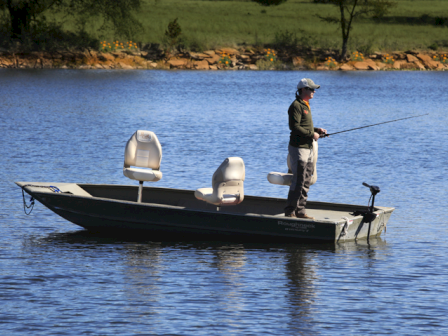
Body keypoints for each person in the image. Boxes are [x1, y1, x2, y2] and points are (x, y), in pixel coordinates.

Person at [285, 78, 327, 219]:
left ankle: (300, 211)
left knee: (306, 180)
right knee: (299, 180)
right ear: (303, 90)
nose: (314, 91)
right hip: (299, 148)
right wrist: (312, 134)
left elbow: (305, 126)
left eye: (314, 89)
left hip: (308, 148)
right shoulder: (296, 106)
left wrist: (317, 130)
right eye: (311, 89)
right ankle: (290, 211)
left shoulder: (306, 104)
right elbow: (294, 127)